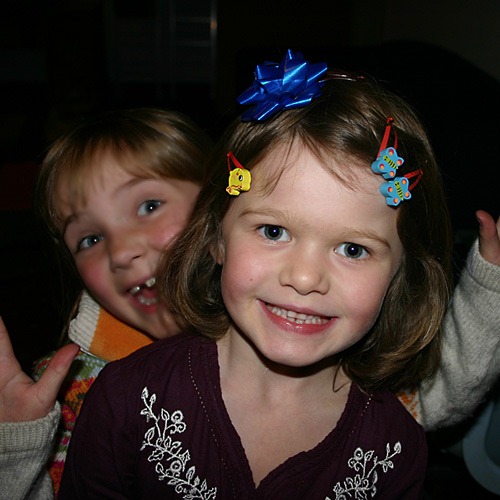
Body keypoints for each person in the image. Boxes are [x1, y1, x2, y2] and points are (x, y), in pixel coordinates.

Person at [1, 59, 500, 499]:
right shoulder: (123, 397)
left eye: (353, 249)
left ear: (400, 277)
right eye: (273, 231)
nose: (304, 277)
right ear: (214, 238)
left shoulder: (396, 448)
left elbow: (450, 382)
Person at [0, 107, 212, 499]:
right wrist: (17, 453)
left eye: (149, 206)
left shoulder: (302, 335)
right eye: (90, 239)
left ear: (216, 203)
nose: (121, 252)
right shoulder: (66, 397)